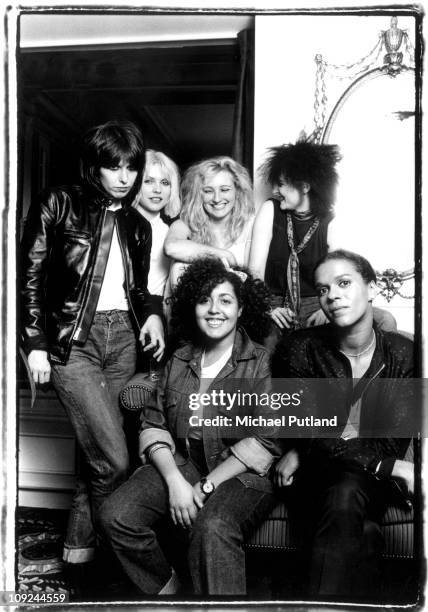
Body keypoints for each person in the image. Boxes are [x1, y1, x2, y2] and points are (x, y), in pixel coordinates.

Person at [20, 120, 165, 566]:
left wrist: (154, 314)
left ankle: (80, 554)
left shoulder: (139, 226)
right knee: (114, 460)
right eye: (113, 167)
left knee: (96, 458)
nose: (124, 178)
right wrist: (34, 343)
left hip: (123, 339)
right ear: (94, 167)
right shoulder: (58, 204)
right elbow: (28, 278)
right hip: (73, 343)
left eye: (131, 168)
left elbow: (138, 289)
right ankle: (121, 554)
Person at [98, 257, 282, 596]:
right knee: (115, 515)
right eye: (204, 300)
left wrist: (207, 486)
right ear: (193, 307)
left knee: (213, 525)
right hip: (184, 464)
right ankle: (170, 592)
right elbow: (153, 423)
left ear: (242, 309)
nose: (214, 310)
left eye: (226, 300)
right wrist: (175, 482)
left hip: (241, 476)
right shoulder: (179, 358)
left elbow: (266, 439)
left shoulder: (261, 362)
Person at [274, 249, 415, 600]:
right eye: (322, 289)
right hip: (316, 479)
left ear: (371, 287)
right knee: (362, 528)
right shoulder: (299, 349)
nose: (332, 295)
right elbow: (313, 436)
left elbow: (391, 440)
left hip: (370, 483)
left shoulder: (404, 354)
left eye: (344, 283)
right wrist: (391, 465)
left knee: (349, 493)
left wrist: (376, 457)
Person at [249, 140, 397, 356]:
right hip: (274, 303)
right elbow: (255, 273)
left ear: (304, 187)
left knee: (385, 320)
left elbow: (338, 276)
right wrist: (267, 309)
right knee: (268, 343)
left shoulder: (331, 220)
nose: (275, 189)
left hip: (317, 302)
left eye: (281, 184)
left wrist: (325, 308)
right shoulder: (270, 210)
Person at [164, 156, 255, 291]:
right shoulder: (185, 223)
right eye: (208, 191)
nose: (217, 198)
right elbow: (171, 247)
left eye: (224, 190)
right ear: (198, 194)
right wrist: (224, 256)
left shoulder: (251, 224)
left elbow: (255, 280)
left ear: (238, 191)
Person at [133, 149, 181, 309]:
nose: (157, 189)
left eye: (165, 182)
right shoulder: (115, 223)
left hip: (155, 316)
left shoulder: (173, 234)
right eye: (148, 181)